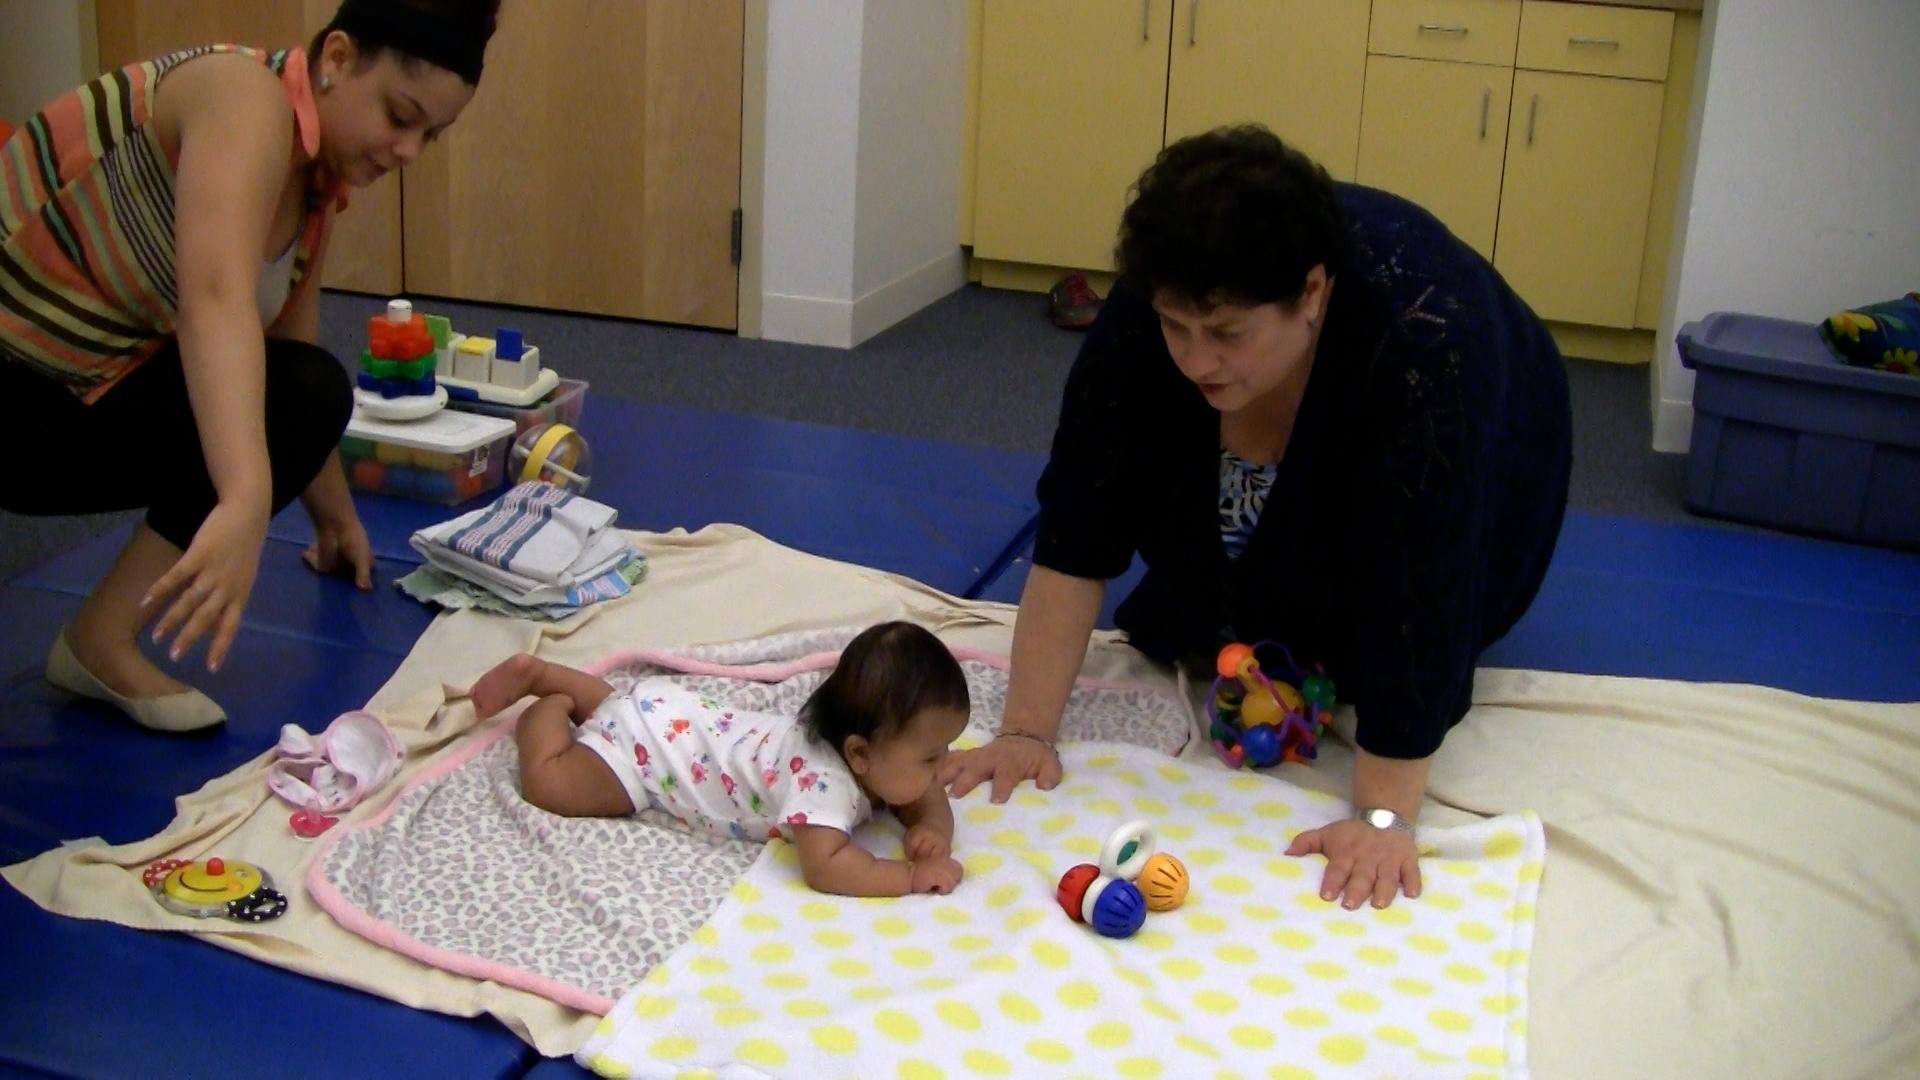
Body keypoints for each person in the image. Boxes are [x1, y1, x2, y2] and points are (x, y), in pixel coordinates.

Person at [942, 125, 1572, 912]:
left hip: (1490, 439)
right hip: (1277, 420)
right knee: (1218, 619)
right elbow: (1079, 523)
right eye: (1179, 330)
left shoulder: (1426, 336)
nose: (1198, 358)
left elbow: (1424, 584)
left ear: (1310, 295)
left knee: (1370, 618)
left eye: (1225, 335)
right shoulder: (1152, 312)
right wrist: (1025, 734)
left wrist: (1384, 815)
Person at [0, 0, 500, 731]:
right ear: (335, 61)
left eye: (432, 133)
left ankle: (98, 639)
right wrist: (244, 496)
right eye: (400, 116)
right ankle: (103, 637)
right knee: (263, 407)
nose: (409, 151)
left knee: (306, 386)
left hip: (77, 386)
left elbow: (289, 365)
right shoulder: (243, 98)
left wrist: (332, 518)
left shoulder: (318, 184)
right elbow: (214, 298)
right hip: (18, 383)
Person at [469, 621, 972, 898]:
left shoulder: (866, 754)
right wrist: (905, 877)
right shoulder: (825, 787)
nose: (942, 767)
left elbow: (920, 795)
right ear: (859, 753)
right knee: (553, 786)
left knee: (621, 708)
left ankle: (545, 674)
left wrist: (933, 830)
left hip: (672, 711)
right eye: (931, 756)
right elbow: (828, 868)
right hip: (650, 764)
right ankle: (544, 716)